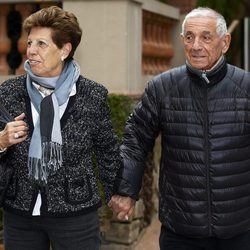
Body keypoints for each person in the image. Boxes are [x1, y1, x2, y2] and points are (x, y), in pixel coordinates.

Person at [109, 6, 250, 250]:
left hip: (239, 227)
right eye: (189, 37)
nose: (196, 45)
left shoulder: (246, 87)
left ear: (224, 42)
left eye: (206, 37)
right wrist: (125, 190)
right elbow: (135, 140)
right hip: (181, 229)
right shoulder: (162, 87)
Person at [0, 6, 121, 250]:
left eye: (41, 44)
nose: (31, 51)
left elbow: (108, 150)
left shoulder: (92, 95)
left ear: (64, 49)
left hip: (75, 214)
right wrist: (2, 141)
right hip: (20, 213)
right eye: (30, 42)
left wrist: (118, 194)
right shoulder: (8, 92)